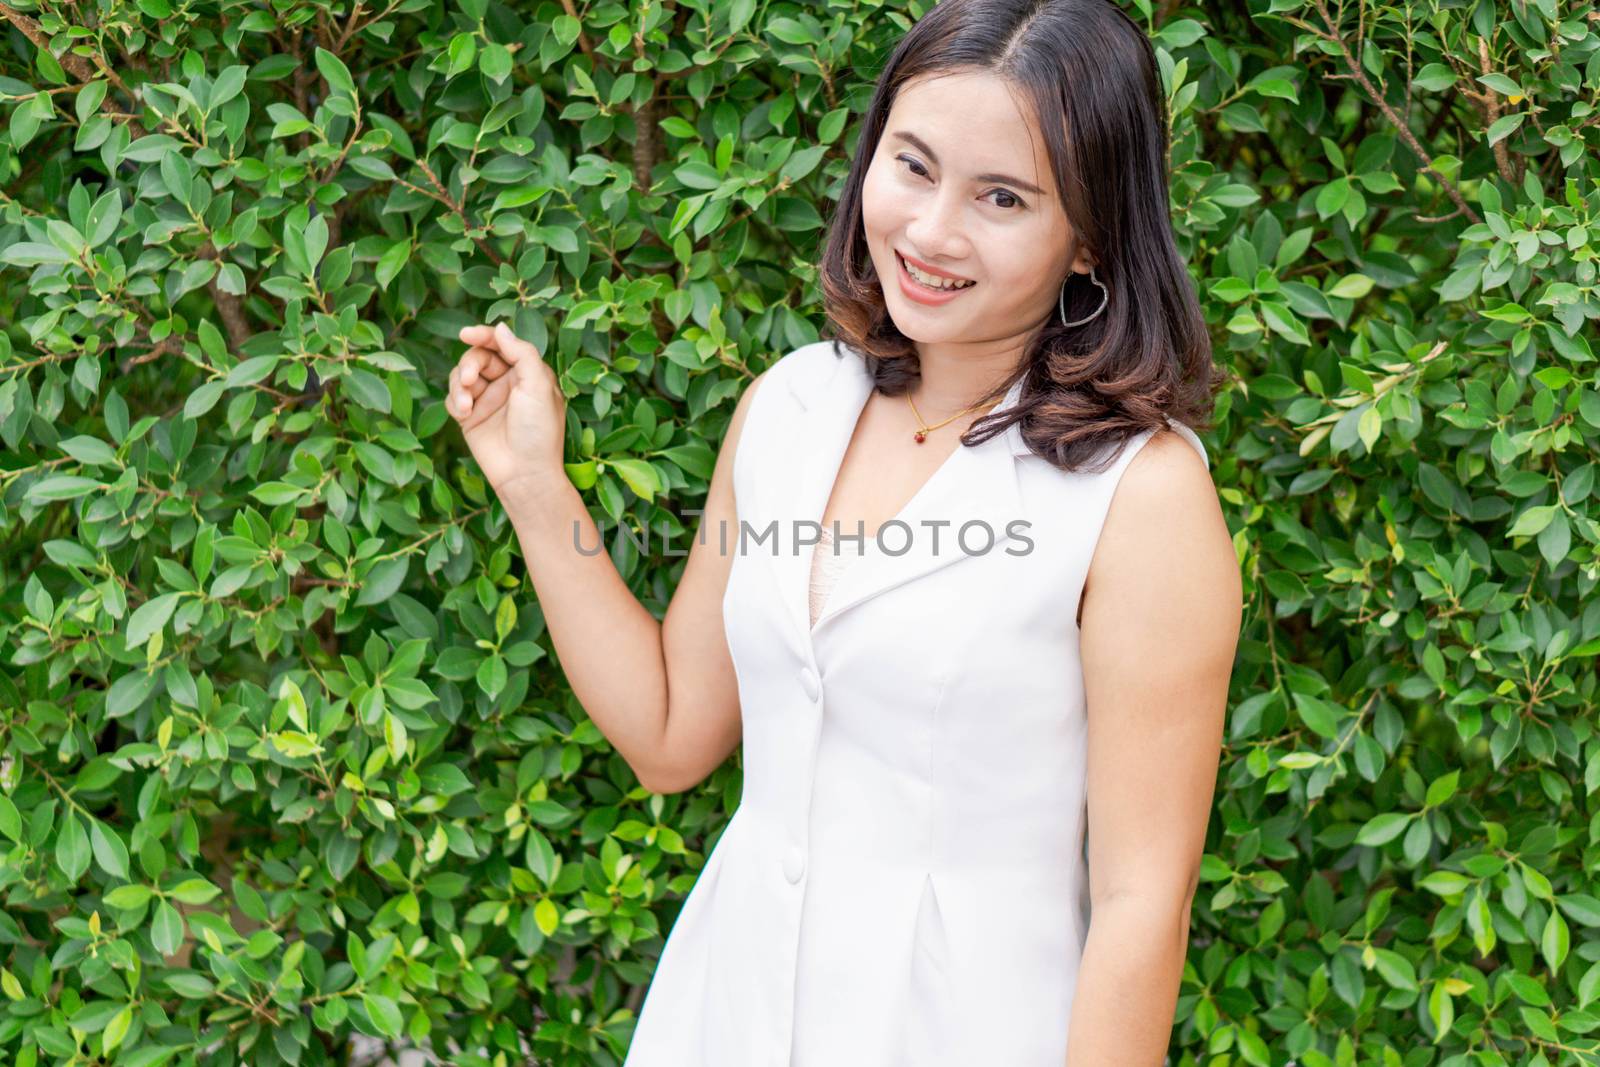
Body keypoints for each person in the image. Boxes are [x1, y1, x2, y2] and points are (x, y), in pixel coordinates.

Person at [444, 0, 1241, 1062]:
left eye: (1001, 196)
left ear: (1090, 238)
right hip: (723, 1017)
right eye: (912, 166)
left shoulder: (1139, 493)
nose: (930, 230)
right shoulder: (790, 405)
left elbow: (1144, 900)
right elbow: (674, 732)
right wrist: (533, 484)